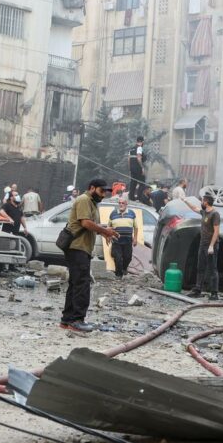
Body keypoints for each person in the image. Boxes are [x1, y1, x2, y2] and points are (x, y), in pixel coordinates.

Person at [60, 179, 119, 332]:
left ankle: (67, 320)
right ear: (91, 188)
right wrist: (105, 231)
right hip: (77, 247)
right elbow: (85, 223)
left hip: (82, 248)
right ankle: (77, 320)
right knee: (82, 284)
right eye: (101, 191)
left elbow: (91, 225)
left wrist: (104, 231)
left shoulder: (92, 203)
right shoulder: (84, 200)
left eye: (105, 192)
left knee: (75, 283)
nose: (103, 195)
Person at [187, 194, 221, 299]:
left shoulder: (215, 214)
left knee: (212, 269)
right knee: (200, 267)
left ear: (206, 202)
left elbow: (216, 231)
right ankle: (198, 289)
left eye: (202, 201)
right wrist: (186, 201)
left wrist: (211, 245)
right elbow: (194, 208)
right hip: (202, 244)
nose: (201, 203)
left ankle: (214, 293)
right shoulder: (204, 213)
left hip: (211, 245)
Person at [107, 196, 138, 278]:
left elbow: (136, 227)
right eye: (119, 203)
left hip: (128, 240)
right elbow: (108, 226)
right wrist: (108, 236)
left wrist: (135, 238)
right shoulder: (113, 213)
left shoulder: (132, 213)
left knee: (128, 257)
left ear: (126, 204)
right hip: (116, 240)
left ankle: (124, 269)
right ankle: (118, 275)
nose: (121, 204)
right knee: (118, 258)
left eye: (123, 203)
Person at [127, 136, 146, 201]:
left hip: (132, 168)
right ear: (142, 141)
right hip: (138, 167)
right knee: (142, 183)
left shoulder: (131, 149)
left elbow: (129, 159)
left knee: (133, 183)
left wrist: (130, 169)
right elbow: (138, 158)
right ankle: (139, 197)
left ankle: (131, 197)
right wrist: (142, 167)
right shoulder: (139, 147)